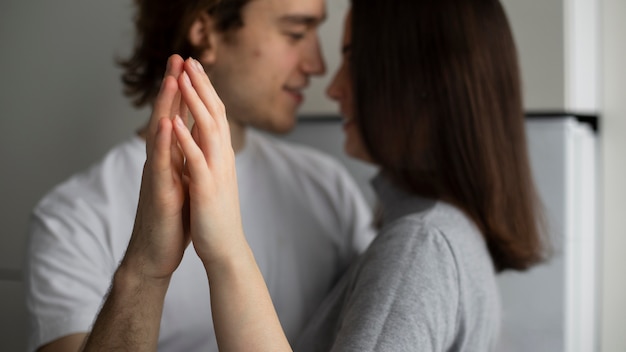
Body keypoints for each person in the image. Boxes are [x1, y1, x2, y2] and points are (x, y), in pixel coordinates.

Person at [114, 0, 548, 350]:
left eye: (352, 59)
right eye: (296, 33)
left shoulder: (420, 245)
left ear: (419, 77)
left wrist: (226, 252)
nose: (332, 84)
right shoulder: (437, 235)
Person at [23, 0, 375, 351]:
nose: (318, 65)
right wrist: (144, 268)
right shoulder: (73, 218)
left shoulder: (329, 187)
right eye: (296, 32)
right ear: (205, 32)